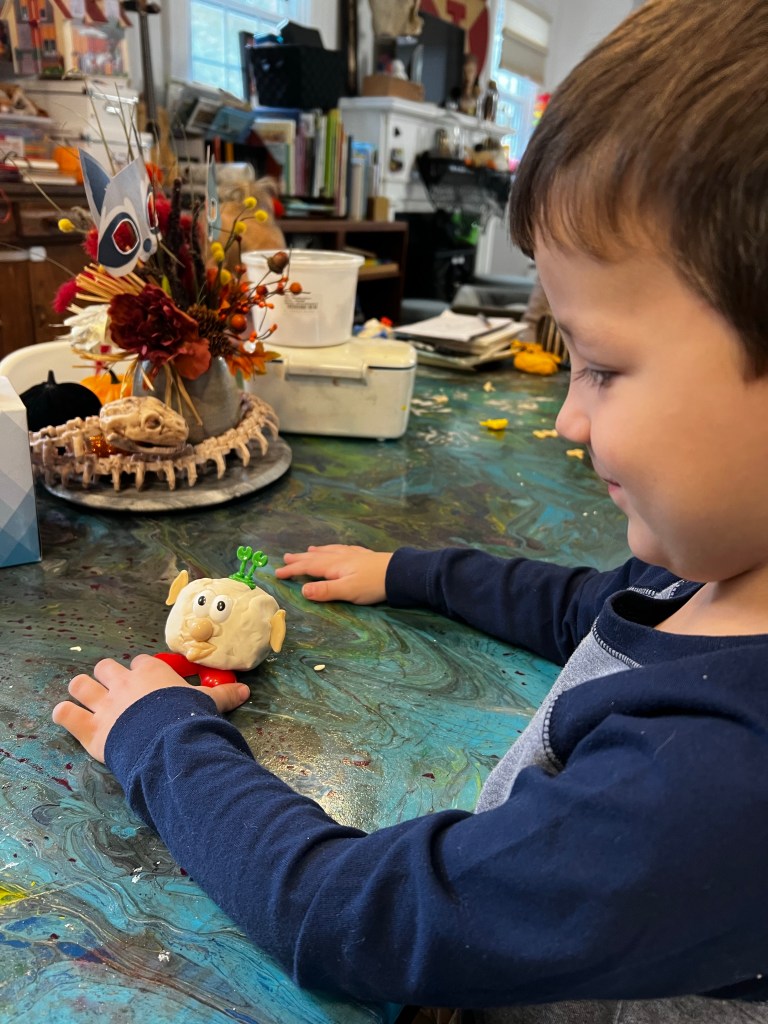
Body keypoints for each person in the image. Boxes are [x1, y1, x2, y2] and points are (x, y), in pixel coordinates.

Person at [52, 1, 768, 1021]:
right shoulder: (715, 578)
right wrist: (406, 572)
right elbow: (591, 607)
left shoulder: (713, 782)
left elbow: (360, 919)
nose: (568, 419)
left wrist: (159, 737)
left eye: (604, 367)